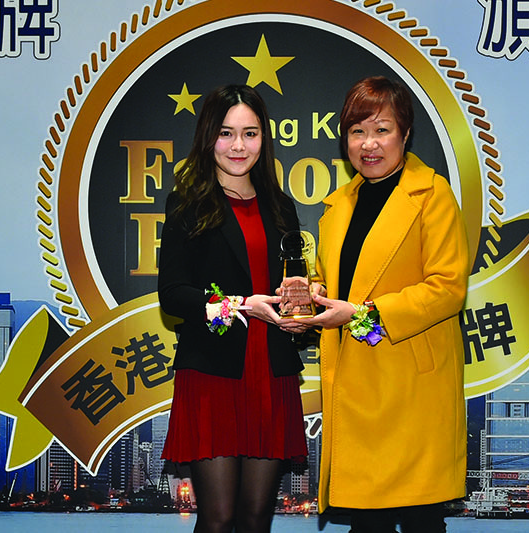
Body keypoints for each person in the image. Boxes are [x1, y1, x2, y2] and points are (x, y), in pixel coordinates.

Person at [299, 76, 470, 532]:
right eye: (357, 131)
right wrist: (310, 299)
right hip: (356, 387)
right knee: (366, 525)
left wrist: (362, 316)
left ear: (405, 134)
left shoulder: (432, 194)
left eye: (382, 129)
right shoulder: (338, 206)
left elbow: (448, 288)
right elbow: (337, 283)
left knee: (421, 521)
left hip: (412, 391)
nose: (368, 144)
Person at [157, 84, 307, 533]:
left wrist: (301, 306)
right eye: (226, 133)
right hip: (213, 376)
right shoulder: (187, 203)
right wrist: (241, 305)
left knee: (256, 519)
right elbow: (173, 294)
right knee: (218, 519)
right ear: (209, 137)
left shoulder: (281, 208)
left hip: (271, 373)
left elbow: (289, 284)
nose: (239, 146)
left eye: (250, 133)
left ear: (264, 139)